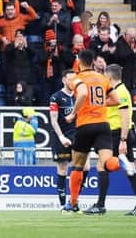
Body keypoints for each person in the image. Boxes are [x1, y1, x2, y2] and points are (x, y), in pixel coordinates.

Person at [62, 50, 119, 215]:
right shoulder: (102, 78)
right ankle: (118, 162)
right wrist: (100, 106)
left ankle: (73, 203)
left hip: (85, 125)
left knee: (78, 165)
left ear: (79, 62)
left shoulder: (77, 78)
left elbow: (83, 93)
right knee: (107, 163)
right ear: (93, 62)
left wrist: (73, 113)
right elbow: (116, 100)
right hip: (103, 125)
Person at [104, 64, 136, 216]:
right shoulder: (116, 92)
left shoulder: (120, 92)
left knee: (129, 169)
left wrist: (123, 140)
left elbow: (124, 118)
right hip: (115, 134)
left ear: (109, 77)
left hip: (119, 135)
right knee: (128, 169)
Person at [49, 69, 88, 209]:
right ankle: (62, 204)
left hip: (77, 135)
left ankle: (74, 199)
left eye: (75, 79)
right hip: (62, 136)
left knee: (86, 166)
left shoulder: (80, 96)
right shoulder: (56, 97)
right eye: (70, 79)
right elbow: (53, 120)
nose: (73, 82)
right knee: (63, 169)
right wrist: (61, 137)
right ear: (64, 80)